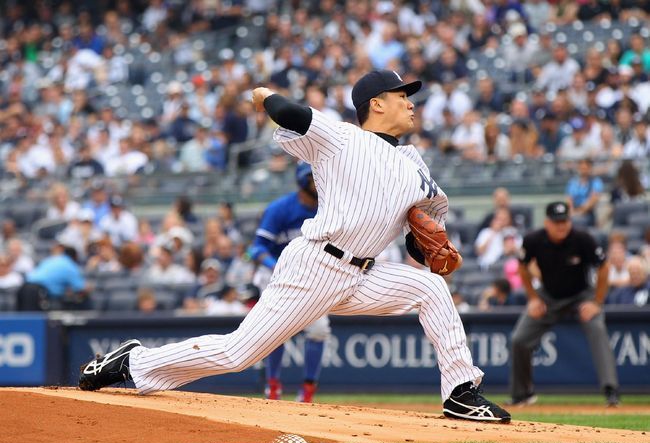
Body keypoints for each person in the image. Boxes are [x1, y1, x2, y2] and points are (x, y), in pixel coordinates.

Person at [79, 69, 510, 423]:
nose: (411, 103)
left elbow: (421, 250)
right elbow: (287, 112)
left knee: (430, 287)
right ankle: (134, 362)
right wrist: (263, 94)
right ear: (376, 104)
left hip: (364, 274)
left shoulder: (415, 165)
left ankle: (460, 392)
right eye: (402, 96)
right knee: (238, 353)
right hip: (317, 266)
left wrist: (425, 245)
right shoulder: (342, 138)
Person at [509, 201, 619, 407]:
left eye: (565, 221)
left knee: (597, 329)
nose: (561, 226)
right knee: (519, 339)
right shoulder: (533, 239)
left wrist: (597, 302)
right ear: (547, 223)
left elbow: (604, 267)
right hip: (548, 297)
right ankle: (522, 394)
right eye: (556, 222)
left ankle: (611, 390)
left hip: (581, 296)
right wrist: (533, 298)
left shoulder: (583, 239)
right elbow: (522, 266)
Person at [248, 162, 330, 403]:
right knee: (276, 331)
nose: (319, 182)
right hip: (275, 276)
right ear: (303, 180)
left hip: (311, 278)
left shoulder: (329, 208)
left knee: (319, 330)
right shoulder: (280, 209)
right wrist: (277, 266)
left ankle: (308, 390)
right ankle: (272, 385)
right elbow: (257, 249)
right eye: (313, 177)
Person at [16, 243, 89, 311]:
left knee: (23, 318)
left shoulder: (50, 259)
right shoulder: (70, 265)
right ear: (74, 257)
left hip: (23, 288)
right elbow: (82, 288)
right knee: (33, 319)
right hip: (36, 292)